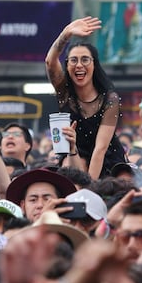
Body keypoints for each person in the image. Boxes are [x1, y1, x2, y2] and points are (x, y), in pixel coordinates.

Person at [45, 16, 126, 180]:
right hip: (72, 156)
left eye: (85, 60)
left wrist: (89, 187)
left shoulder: (110, 99)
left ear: (94, 65)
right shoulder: (64, 92)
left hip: (106, 161)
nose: (79, 65)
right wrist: (65, 34)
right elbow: (50, 61)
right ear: (67, 66)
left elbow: (100, 149)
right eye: (73, 60)